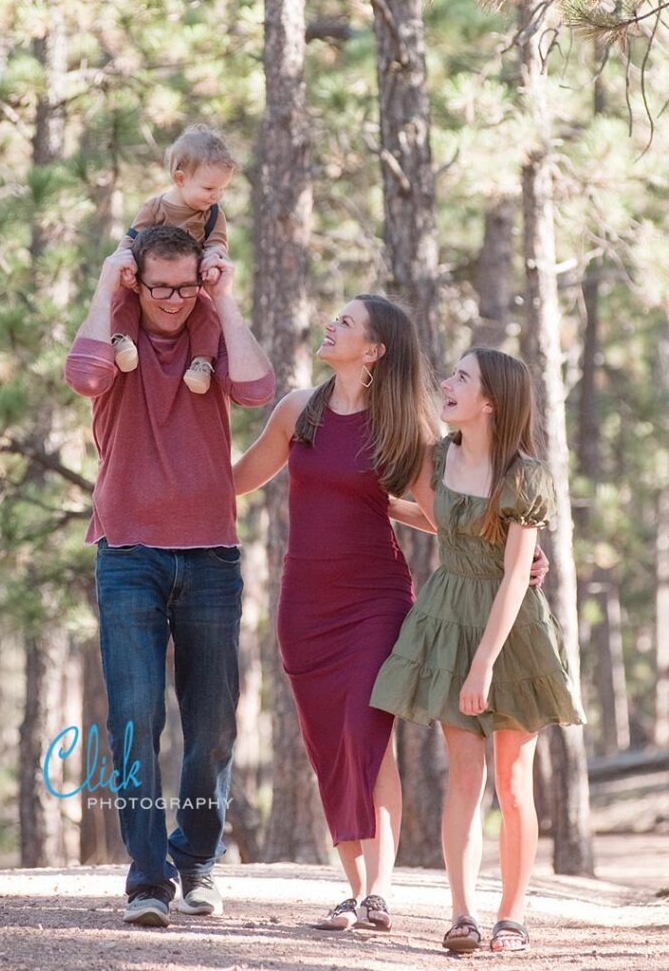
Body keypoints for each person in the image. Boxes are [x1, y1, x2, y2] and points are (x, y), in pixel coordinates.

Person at [233, 305, 548, 933]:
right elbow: (238, 477)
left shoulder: (403, 428)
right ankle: (353, 891)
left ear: (374, 350)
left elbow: (444, 516)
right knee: (327, 745)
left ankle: (380, 891)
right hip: (304, 601)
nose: (329, 323)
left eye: (345, 321)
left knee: (366, 734)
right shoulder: (298, 410)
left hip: (374, 598)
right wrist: (165, 478)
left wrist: (517, 548)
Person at [64, 226, 274, 928]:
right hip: (128, 554)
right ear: (136, 280)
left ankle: (199, 862)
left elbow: (255, 388)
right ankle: (146, 878)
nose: (175, 300)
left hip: (210, 553)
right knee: (136, 717)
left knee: (212, 724)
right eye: (161, 286)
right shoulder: (114, 324)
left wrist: (228, 300)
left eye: (187, 286)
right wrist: (105, 287)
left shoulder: (211, 322)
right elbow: (84, 377)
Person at [371, 347, 585, 954]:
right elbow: (448, 522)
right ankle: (462, 914)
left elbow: (518, 574)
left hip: (509, 631)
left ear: (489, 401)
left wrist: (485, 664)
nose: (448, 382)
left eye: (461, 377)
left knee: (514, 783)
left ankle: (512, 915)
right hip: (447, 616)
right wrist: (383, 507)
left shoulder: (526, 475)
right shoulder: (439, 458)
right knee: (464, 773)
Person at [110, 124, 236, 394]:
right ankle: (122, 339)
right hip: (149, 279)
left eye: (222, 190)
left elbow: (217, 242)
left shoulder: (213, 215)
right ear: (180, 179)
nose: (216, 196)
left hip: (189, 283)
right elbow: (131, 240)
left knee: (207, 314)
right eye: (209, 188)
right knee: (123, 300)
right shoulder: (155, 207)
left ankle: (202, 362)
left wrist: (214, 257)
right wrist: (125, 266)